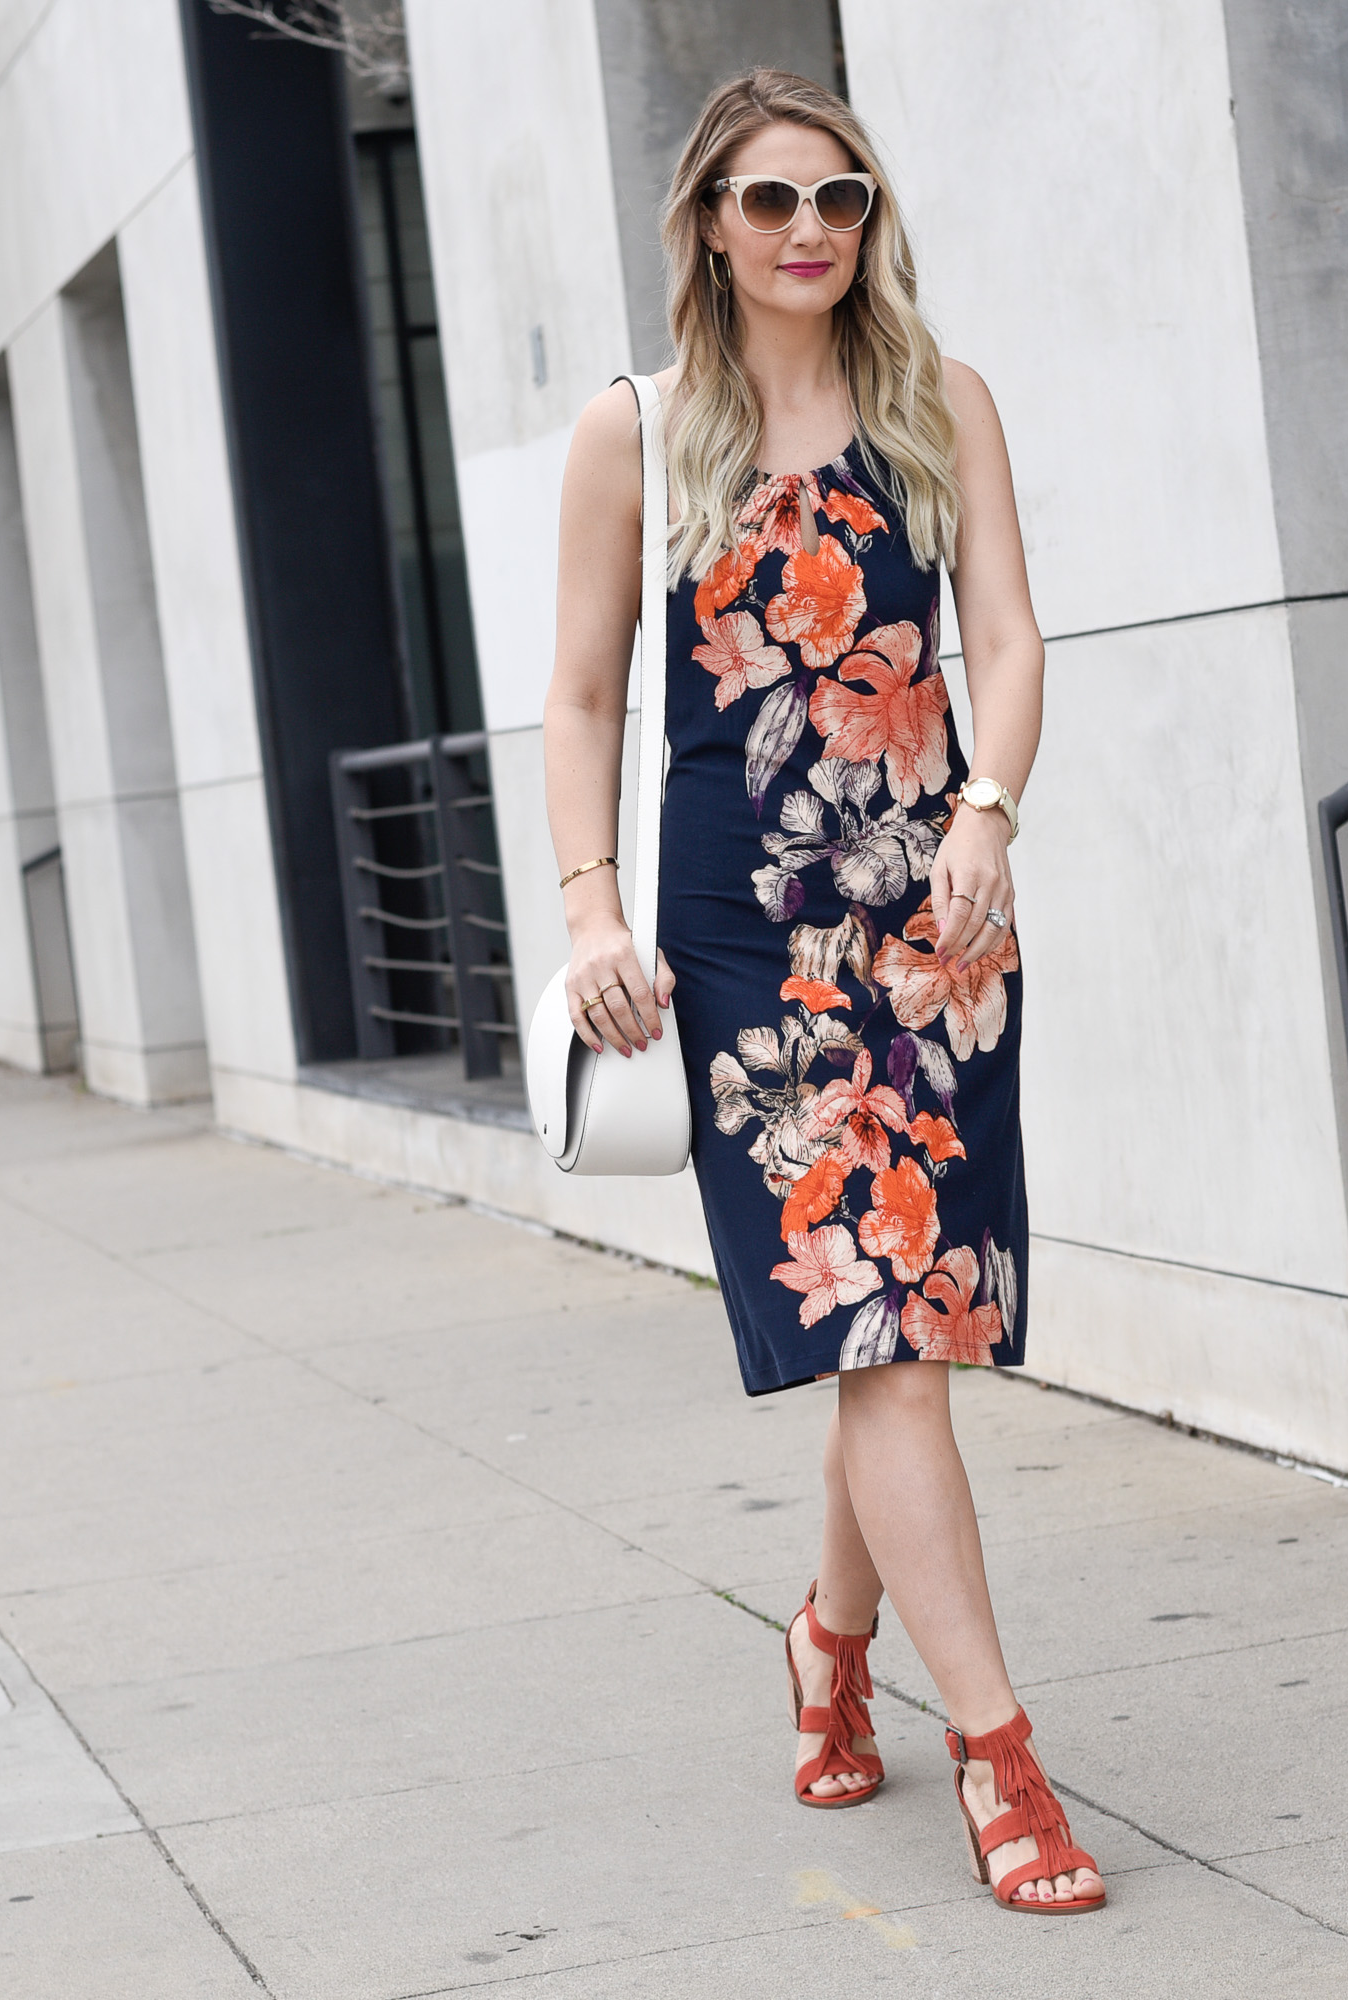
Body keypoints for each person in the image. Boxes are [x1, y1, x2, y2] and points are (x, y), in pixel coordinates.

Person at [541, 68, 1102, 1914]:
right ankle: (1002, 1759)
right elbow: (587, 697)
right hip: (741, 940)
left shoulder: (941, 402)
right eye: (771, 201)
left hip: (933, 916)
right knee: (877, 1323)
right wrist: (588, 907)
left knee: (909, 1331)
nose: (808, 232)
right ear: (711, 220)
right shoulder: (636, 431)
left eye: (840, 199)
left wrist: (992, 811)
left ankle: (831, 1647)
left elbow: (1006, 637)